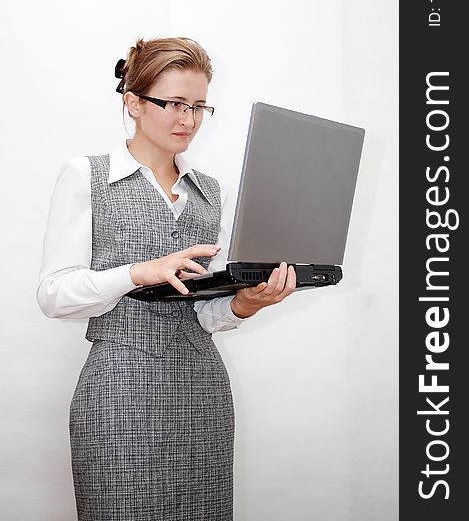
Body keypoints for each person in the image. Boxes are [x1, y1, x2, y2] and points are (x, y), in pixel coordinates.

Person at [37, 36, 297, 521]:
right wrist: (137, 272)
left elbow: (206, 310)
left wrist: (247, 303)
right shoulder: (86, 176)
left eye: (199, 106)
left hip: (202, 393)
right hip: (117, 393)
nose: (189, 120)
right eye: (175, 104)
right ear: (133, 102)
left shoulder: (211, 192)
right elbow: (53, 295)